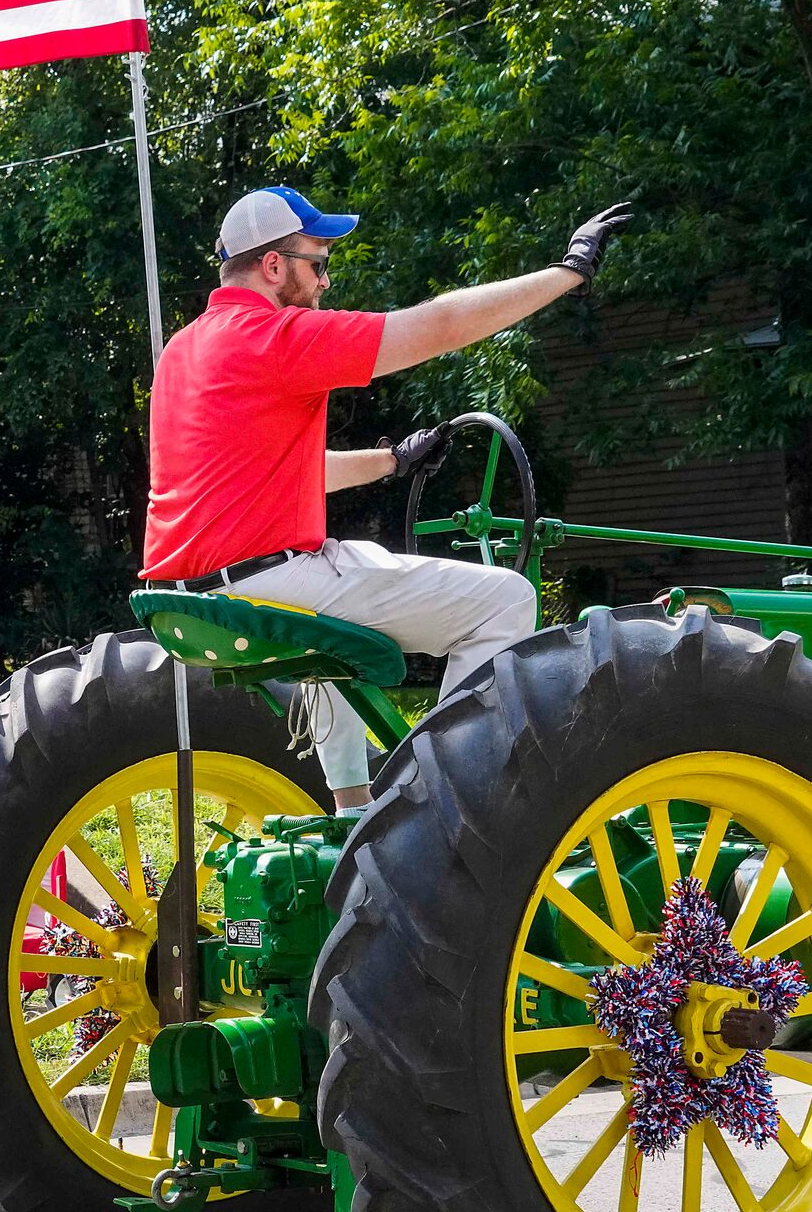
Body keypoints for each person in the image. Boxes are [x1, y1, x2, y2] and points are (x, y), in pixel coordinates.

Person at [142, 186, 628, 808]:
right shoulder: (274, 336)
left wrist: (394, 460)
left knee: (352, 569)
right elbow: (442, 325)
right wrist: (568, 273)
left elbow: (282, 473)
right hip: (270, 584)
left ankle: (352, 812)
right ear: (273, 266)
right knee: (507, 599)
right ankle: (434, 808)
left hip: (194, 595)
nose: (324, 283)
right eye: (318, 264)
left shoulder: (184, 352)